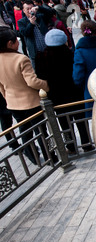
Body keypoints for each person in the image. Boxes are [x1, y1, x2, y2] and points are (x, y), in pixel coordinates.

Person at [0, 26, 57, 165]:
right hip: (30, 102)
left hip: (13, 103)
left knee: (25, 131)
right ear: (10, 43)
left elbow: (1, 86)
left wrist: (8, 97)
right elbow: (32, 81)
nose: (18, 42)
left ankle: (33, 157)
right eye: (16, 40)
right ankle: (50, 157)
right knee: (41, 131)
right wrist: (47, 85)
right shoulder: (20, 59)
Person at [35, 28, 93, 154]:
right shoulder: (71, 54)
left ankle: (71, 146)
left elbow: (40, 76)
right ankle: (87, 144)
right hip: (74, 94)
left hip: (56, 97)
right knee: (81, 121)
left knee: (64, 123)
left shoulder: (42, 57)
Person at [18, 0, 54, 68]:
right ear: (24, 10)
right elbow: (25, 33)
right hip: (36, 53)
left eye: (31, 8)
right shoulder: (21, 22)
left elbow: (50, 13)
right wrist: (31, 24)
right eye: (27, 9)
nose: (29, 11)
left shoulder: (40, 16)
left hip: (47, 49)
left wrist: (39, 8)